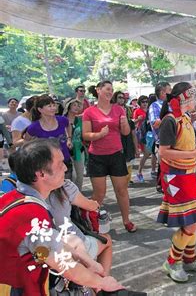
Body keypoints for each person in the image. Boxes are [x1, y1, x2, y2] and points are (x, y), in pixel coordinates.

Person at [0, 139, 123, 294]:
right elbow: (66, 267)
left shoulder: (12, 198)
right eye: (59, 164)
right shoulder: (32, 216)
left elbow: (45, 248)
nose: (65, 167)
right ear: (41, 174)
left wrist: (85, 260)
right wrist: (103, 282)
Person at [157, 82, 196, 283]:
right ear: (183, 99)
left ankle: (189, 259)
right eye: (192, 97)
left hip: (187, 173)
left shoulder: (185, 118)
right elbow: (163, 152)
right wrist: (195, 153)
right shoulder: (170, 121)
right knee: (190, 222)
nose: (195, 101)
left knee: (194, 220)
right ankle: (172, 262)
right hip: (175, 176)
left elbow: (186, 147)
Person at [82, 81, 136, 233]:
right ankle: (90, 220)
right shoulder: (89, 111)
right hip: (97, 156)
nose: (110, 92)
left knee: (122, 190)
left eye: (111, 90)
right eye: (107, 89)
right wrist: (99, 135)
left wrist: (125, 123)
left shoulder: (118, 109)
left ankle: (127, 221)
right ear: (98, 90)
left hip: (116, 155)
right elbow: (85, 135)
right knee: (99, 193)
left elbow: (125, 132)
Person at [46, 179, 113, 276]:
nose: (65, 168)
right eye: (60, 164)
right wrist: (94, 204)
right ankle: (102, 284)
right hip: (71, 245)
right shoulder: (65, 187)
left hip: (48, 250)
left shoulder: (26, 194)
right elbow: (90, 206)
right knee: (107, 240)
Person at [26, 95, 73, 179]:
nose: (53, 108)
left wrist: (69, 138)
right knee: (51, 190)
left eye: (54, 105)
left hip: (64, 159)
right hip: (46, 163)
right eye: (49, 106)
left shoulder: (62, 120)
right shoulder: (34, 127)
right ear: (40, 109)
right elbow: (26, 142)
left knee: (67, 187)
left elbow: (68, 125)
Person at [112, 91, 139, 186]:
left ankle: (125, 186)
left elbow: (134, 135)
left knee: (129, 166)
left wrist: (136, 149)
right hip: (117, 148)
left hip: (129, 145)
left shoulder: (129, 121)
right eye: (119, 97)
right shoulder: (111, 121)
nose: (122, 99)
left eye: (123, 98)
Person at [148, 82, 172, 182]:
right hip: (163, 142)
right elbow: (155, 123)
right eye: (169, 90)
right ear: (163, 92)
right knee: (167, 169)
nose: (172, 92)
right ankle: (166, 190)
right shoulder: (154, 106)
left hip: (174, 141)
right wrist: (171, 119)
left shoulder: (172, 104)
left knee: (169, 168)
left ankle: (163, 186)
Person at [64, 98, 86, 191]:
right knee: (71, 176)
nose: (76, 107)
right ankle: (69, 196)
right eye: (74, 105)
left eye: (78, 105)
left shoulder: (80, 119)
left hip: (79, 149)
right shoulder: (62, 120)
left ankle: (78, 196)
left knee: (79, 176)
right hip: (65, 150)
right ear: (68, 106)